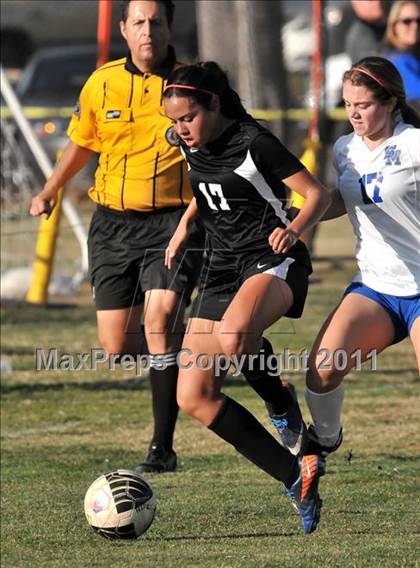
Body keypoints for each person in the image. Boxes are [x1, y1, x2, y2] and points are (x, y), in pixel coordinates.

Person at [30, 0, 205, 473]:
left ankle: (162, 448)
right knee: (116, 344)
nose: (149, 31)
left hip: (172, 223)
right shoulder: (101, 81)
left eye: (157, 22)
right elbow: (83, 140)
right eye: (140, 23)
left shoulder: (195, 83)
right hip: (111, 225)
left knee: (159, 322)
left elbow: (227, 142)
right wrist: (51, 187)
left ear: (170, 27)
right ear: (124, 29)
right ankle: (207, 341)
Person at [162, 62, 331, 534]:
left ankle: (280, 403)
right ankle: (295, 476)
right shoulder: (191, 142)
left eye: (188, 119)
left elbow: (316, 194)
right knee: (193, 396)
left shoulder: (255, 142)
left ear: (213, 105)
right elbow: (208, 183)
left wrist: (293, 230)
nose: (180, 131)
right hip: (220, 268)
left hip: (272, 259)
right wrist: (183, 225)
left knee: (237, 336)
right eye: (173, 122)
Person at [304, 56, 420, 458]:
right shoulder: (344, 149)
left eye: (364, 105)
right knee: (321, 371)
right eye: (347, 103)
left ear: (390, 103)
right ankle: (325, 440)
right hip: (377, 287)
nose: (353, 112)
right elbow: (344, 200)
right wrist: (299, 215)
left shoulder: (413, 145)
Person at [382, 1, 420, 107]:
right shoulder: (393, 60)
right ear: (394, 25)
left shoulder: (414, 55)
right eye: (407, 21)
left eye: (419, 20)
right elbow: (415, 92)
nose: (415, 26)